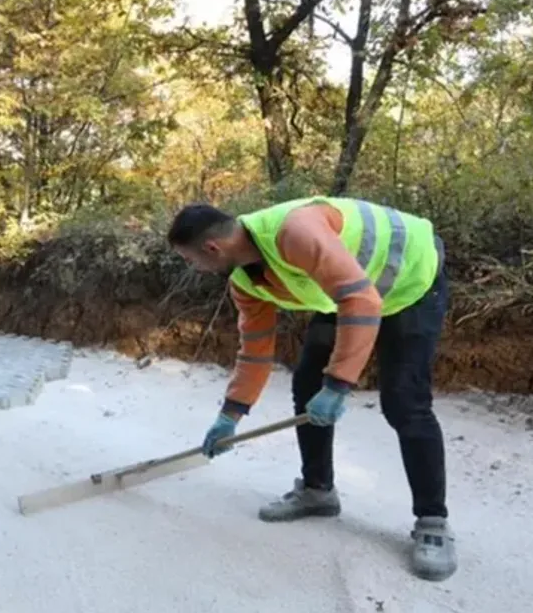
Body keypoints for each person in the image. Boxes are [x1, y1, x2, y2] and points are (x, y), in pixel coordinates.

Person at [167, 196, 456, 582]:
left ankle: (433, 522)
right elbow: (255, 351)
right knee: (306, 382)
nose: (195, 269)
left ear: (212, 248)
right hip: (352, 288)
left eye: (191, 260)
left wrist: (338, 384)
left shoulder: (295, 231)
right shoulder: (244, 281)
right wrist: (229, 416)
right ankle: (318, 490)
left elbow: (362, 299)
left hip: (410, 281)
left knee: (404, 400)